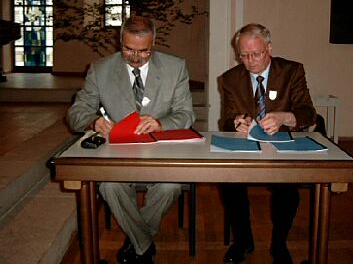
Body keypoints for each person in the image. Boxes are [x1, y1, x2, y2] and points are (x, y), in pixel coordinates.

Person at [67, 15, 195, 264]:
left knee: (170, 186)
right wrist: (93, 121)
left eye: (143, 51)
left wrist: (161, 123)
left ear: (154, 45)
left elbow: (187, 114)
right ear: (120, 41)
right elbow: (75, 113)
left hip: (160, 153)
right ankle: (143, 247)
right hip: (119, 153)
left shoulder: (175, 67)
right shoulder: (101, 69)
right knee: (109, 186)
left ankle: (136, 242)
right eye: (128, 49)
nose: (135, 57)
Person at [219, 23, 316, 264]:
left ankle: (279, 243)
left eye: (256, 54)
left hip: (284, 146)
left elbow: (308, 113)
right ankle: (243, 240)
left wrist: (285, 117)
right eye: (243, 55)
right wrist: (237, 122)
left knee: (287, 190)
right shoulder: (230, 79)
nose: (250, 61)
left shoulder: (292, 71)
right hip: (248, 145)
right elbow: (226, 120)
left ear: (269, 48)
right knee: (230, 183)